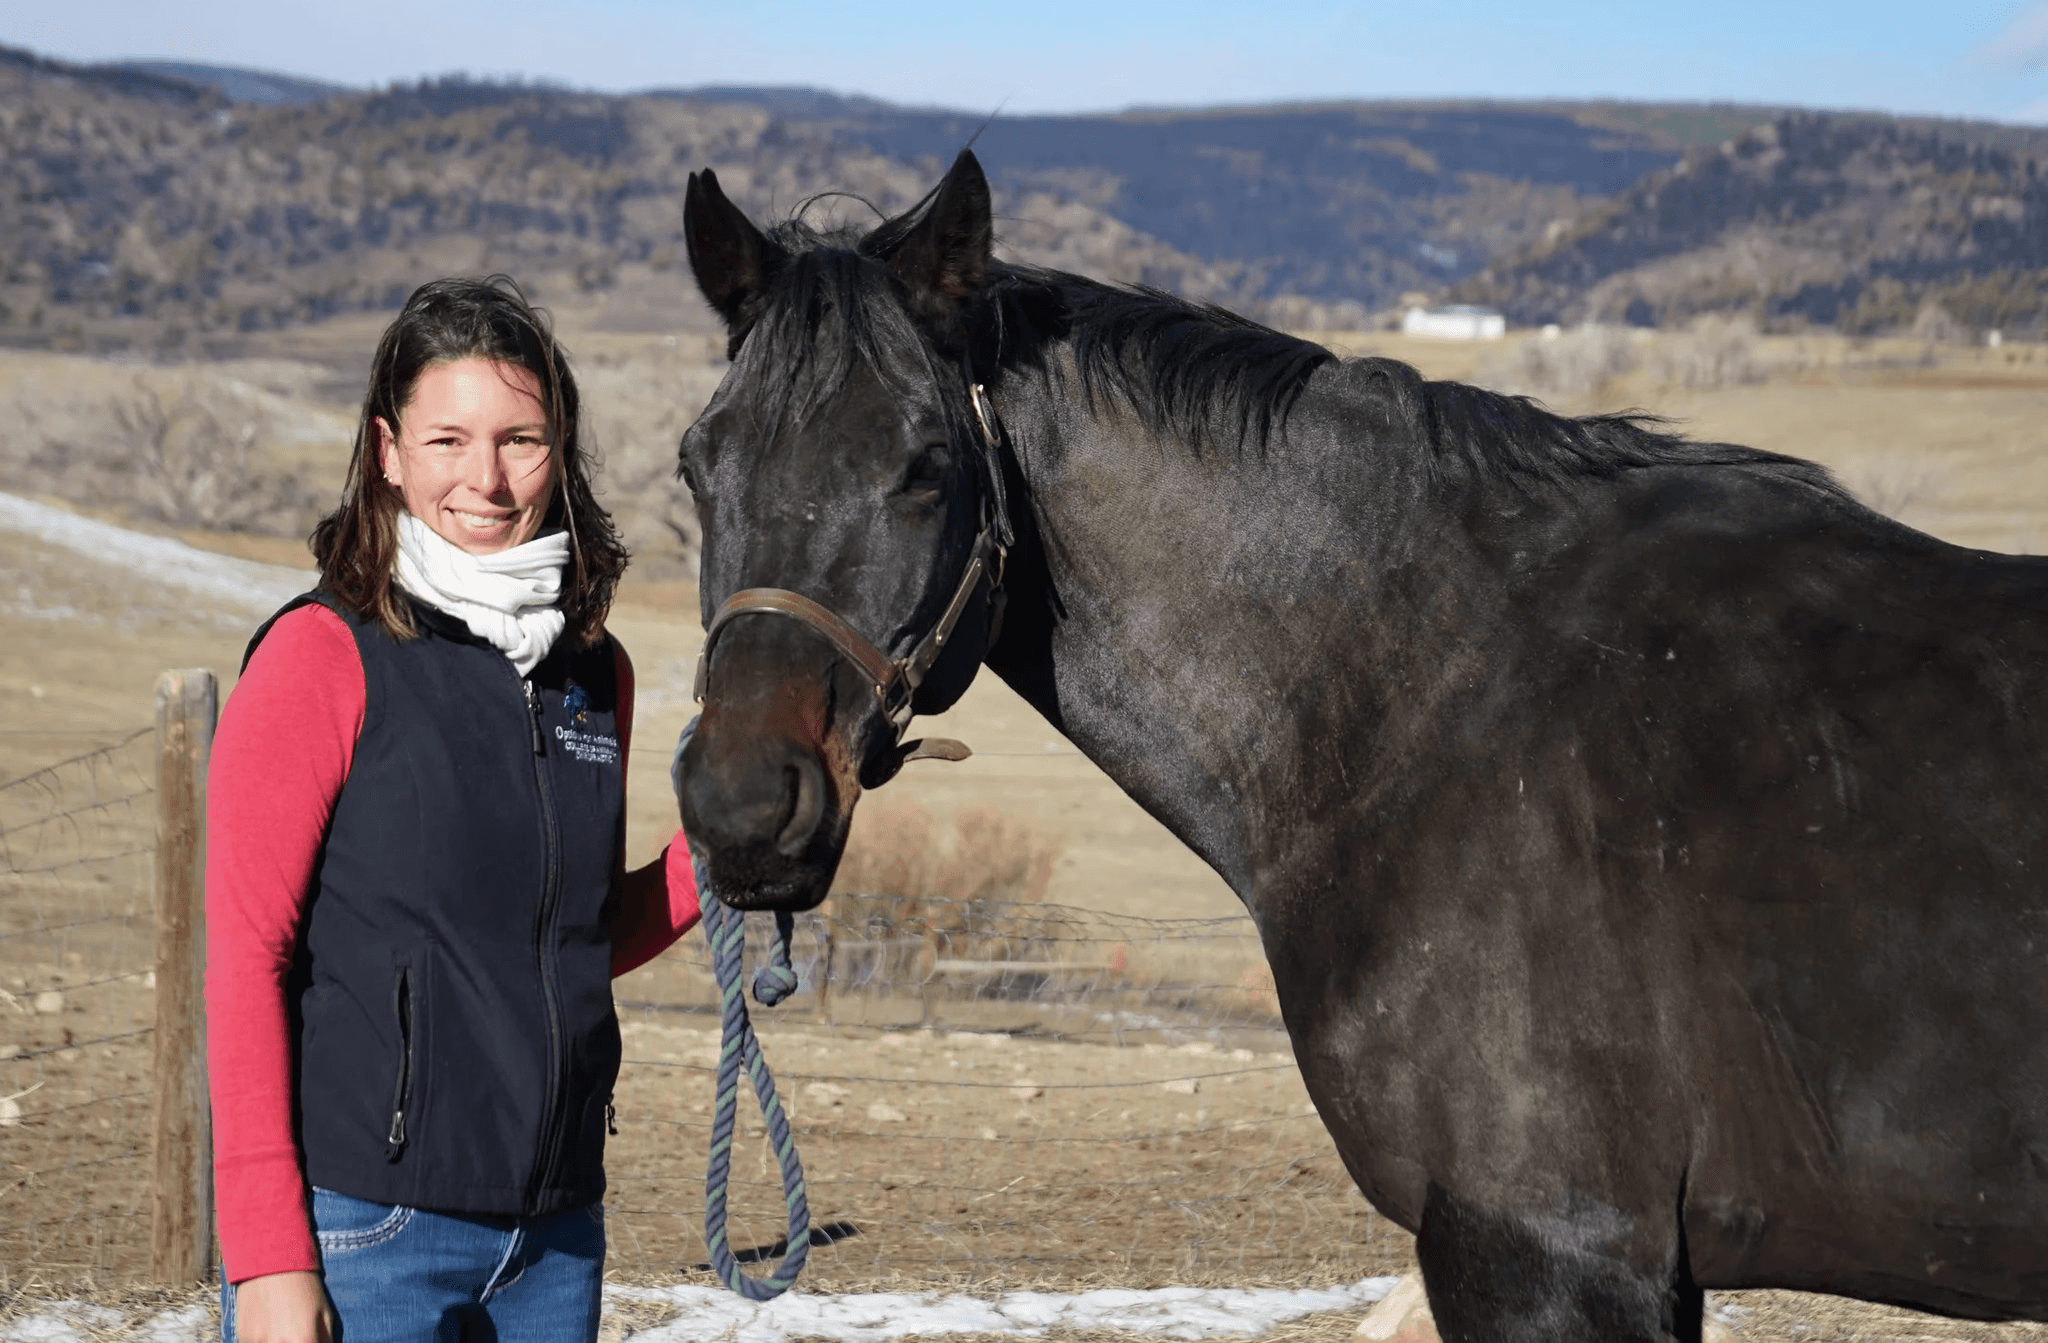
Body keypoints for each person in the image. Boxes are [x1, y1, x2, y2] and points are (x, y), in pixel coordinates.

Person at [205, 276, 701, 1343]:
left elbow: (564, 937)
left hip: (553, 1235)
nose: (485, 478)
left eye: (520, 439)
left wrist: (716, 857)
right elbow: (246, 958)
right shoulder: (321, 654)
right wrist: (267, 1257)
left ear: (559, 449)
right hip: (363, 1226)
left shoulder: (590, 672)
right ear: (387, 449)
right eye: (447, 439)